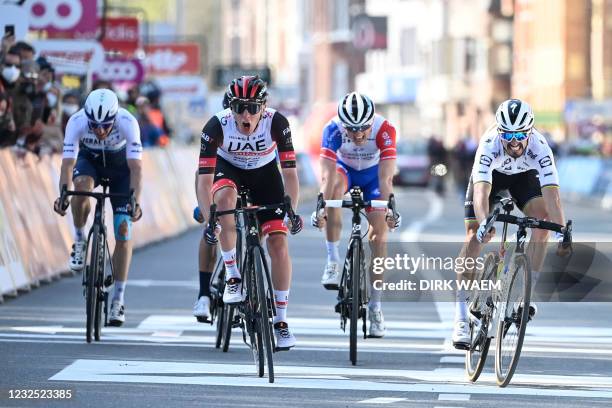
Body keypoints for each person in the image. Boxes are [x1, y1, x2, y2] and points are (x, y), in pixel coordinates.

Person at [195, 75, 303, 349]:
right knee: (225, 200)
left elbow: (290, 174)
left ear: (263, 108)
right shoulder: (216, 126)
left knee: (278, 243)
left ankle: (280, 321)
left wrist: (292, 209)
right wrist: (211, 220)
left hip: (265, 176)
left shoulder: (277, 123)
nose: (246, 114)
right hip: (228, 169)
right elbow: (204, 180)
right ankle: (232, 276)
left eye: (253, 108)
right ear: (230, 107)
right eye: (239, 107)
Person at [452, 99, 567, 349]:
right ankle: (460, 316)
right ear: (499, 131)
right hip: (491, 179)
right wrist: (484, 224)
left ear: (530, 132)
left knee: (542, 223)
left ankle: (526, 294)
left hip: (523, 179)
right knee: (473, 235)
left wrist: (561, 231)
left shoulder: (540, 147)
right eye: (507, 134)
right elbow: (481, 193)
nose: (513, 141)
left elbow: (552, 195)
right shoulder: (489, 144)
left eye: (519, 135)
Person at [311, 92, 402, 338]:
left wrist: (389, 206)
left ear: (372, 122)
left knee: (379, 237)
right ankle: (332, 260)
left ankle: (375, 307)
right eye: (351, 129)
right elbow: (327, 176)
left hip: (373, 177)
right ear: (343, 125)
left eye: (363, 128)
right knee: (334, 193)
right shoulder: (331, 129)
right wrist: (321, 204)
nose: (358, 134)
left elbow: (386, 178)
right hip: (344, 172)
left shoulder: (385, 129)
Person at [53, 88, 143, 327]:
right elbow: (67, 164)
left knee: (124, 230)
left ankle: (118, 299)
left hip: (121, 168)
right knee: (80, 188)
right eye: (95, 125)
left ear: (115, 118)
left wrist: (136, 200)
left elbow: (136, 168)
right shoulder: (77, 121)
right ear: (87, 117)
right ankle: (80, 239)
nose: (101, 131)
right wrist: (63, 194)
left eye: (106, 126)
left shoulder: (127, 121)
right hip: (89, 161)